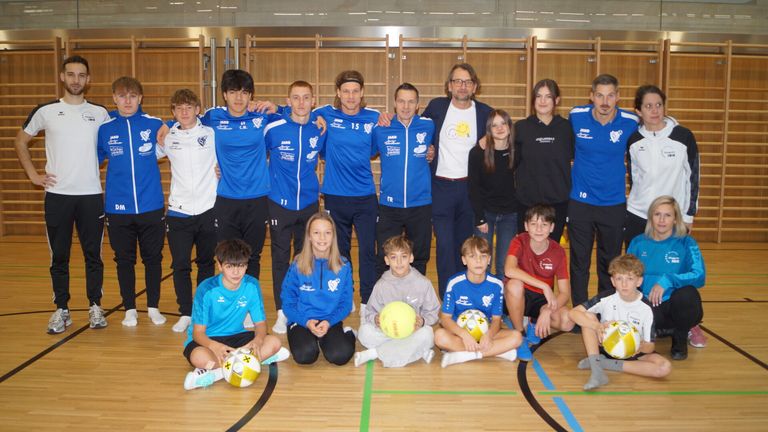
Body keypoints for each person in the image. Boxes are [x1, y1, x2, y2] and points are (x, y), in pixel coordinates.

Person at [15, 55, 110, 333]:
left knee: (94, 254)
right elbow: (20, 141)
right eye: (71, 74)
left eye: (81, 75)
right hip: (58, 196)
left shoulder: (101, 113)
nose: (76, 80)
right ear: (62, 77)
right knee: (60, 256)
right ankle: (62, 309)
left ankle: (95, 306)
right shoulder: (45, 111)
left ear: (88, 79)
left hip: (91, 196)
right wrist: (33, 175)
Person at [97, 76, 166, 327]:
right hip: (118, 209)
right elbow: (91, 161)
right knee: (124, 260)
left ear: (140, 98)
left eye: (133, 96)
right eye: (122, 96)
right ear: (114, 98)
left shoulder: (155, 124)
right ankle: (129, 309)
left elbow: (184, 128)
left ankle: (153, 307)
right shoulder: (105, 129)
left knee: (153, 258)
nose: (128, 101)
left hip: (151, 206)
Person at [423, 63, 493, 298]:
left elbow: (502, 140)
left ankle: (464, 295)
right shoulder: (436, 107)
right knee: (444, 246)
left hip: (469, 189)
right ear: (449, 85)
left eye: (467, 82)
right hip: (441, 187)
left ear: (474, 86)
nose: (462, 86)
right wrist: (427, 149)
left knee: (465, 247)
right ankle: (448, 298)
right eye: (457, 81)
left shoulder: (485, 113)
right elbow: (418, 131)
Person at [568, 74, 639, 307]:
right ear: (591, 96)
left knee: (609, 263)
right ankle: (580, 309)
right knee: (579, 261)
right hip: (581, 202)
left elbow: (659, 121)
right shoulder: (576, 116)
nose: (605, 102)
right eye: (600, 95)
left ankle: (605, 309)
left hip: (613, 204)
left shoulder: (630, 121)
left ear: (618, 97)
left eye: (610, 96)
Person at [182, 239, 288, 390]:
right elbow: (198, 333)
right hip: (208, 339)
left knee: (274, 342)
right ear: (219, 266)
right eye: (229, 266)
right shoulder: (206, 289)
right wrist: (215, 347)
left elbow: (260, 324)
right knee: (199, 358)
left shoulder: (251, 285)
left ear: (246, 265)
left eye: (241, 266)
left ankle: (214, 374)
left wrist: (258, 340)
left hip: (237, 336)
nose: (236, 272)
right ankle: (251, 362)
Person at [315, 70, 380, 315]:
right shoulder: (324, 114)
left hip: (364, 196)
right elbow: (295, 110)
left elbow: (375, 149)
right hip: (335, 195)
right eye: (346, 91)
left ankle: (366, 300)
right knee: (340, 252)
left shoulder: (374, 118)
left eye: (355, 91)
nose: (351, 96)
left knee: (367, 250)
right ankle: (346, 293)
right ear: (338, 93)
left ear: (362, 93)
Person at [264, 81, 327, 335]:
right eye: (296, 98)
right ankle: (282, 312)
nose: (301, 103)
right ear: (288, 101)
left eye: (306, 98)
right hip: (279, 202)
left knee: (306, 258)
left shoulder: (320, 129)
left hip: (309, 203)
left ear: (313, 101)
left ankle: (303, 305)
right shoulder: (273, 127)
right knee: (280, 258)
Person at [156, 89, 218, 333]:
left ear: (197, 110)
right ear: (173, 112)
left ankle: (202, 311)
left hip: (208, 208)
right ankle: (185, 311)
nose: (184, 112)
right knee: (180, 264)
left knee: (206, 263)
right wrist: (162, 126)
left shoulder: (211, 134)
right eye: (179, 108)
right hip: (178, 211)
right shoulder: (167, 137)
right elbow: (144, 155)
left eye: (189, 107)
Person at [568, 254, 672, 391]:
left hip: (633, 352)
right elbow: (573, 313)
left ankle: (604, 363)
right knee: (587, 315)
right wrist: (597, 326)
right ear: (612, 281)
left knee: (664, 367)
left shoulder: (646, 308)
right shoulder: (606, 298)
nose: (624, 284)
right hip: (606, 347)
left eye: (630, 279)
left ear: (639, 281)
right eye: (619, 279)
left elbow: (650, 346)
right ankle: (597, 372)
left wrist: (639, 347)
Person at [627, 196, 706, 360]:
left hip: (674, 305)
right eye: (657, 214)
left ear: (675, 219)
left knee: (688, 294)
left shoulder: (686, 242)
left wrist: (668, 280)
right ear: (651, 217)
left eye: (667, 215)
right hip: (647, 306)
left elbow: (699, 275)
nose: (662, 220)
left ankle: (680, 338)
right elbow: (626, 274)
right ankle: (658, 330)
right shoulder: (638, 242)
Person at [372, 83, 435, 278]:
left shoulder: (428, 125)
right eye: (401, 101)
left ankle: (417, 298)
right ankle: (385, 298)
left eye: (411, 102)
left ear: (418, 104)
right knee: (386, 255)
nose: (406, 106)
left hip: (421, 204)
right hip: (390, 205)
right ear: (394, 103)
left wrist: (431, 150)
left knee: (420, 256)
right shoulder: (381, 128)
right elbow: (365, 152)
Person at [625, 85, 700, 245]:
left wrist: (688, 216)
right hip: (638, 214)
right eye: (648, 106)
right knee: (635, 268)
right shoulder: (634, 140)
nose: (655, 110)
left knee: (668, 267)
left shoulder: (683, 136)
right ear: (639, 111)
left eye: (659, 105)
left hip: (670, 217)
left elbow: (693, 178)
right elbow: (634, 178)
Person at [280, 212, 356, 365]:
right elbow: (287, 304)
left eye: (327, 233)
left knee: (340, 356)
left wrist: (329, 321)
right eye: (316, 233)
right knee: (305, 356)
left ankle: (348, 333)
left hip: (330, 319)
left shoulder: (344, 266)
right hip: (303, 320)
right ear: (309, 236)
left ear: (333, 236)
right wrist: (306, 322)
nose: (322, 238)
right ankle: (311, 339)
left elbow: (346, 304)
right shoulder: (297, 265)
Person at [435, 236, 523, 368]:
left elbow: (496, 320)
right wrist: (464, 335)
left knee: (517, 337)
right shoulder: (454, 283)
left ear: (489, 260)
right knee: (439, 336)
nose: (478, 261)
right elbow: (445, 318)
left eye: (483, 256)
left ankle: (462, 355)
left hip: (485, 333)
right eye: (472, 256)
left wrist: (488, 335)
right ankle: (496, 352)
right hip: (459, 333)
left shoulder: (496, 284)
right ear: (464, 260)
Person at [355, 235, 441, 367]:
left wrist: (423, 321)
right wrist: (375, 319)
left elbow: (434, 312)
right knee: (364, 332)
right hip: (387, 332)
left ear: (411, 258)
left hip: (412, 332)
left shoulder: (423, 283)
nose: (399, 262)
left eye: (404, 256)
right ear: (387, 260)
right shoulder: (381, 285)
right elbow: (369, 311)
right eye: (394, 257)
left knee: (428, 334)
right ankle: (416, 351)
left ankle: (374, 353)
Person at [504, 205, 574, 361]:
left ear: (552, 227)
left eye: (544, 224)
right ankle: (519, 334)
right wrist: (543, 286)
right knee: (514, 284)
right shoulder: (519, 240)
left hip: (541, 300)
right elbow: (509, 270)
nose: (539, 229)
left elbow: (565, 293)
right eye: (534, 223)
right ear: (526, 226)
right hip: (516, 296)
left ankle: (534, 322)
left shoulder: (558, 251)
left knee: (567, 321)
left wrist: (547, 311)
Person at [514, 79, 574, 242]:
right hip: (527, 203)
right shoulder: (520, 128)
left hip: (558, 203)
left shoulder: (567, 128)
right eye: (538, 96)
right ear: (533, 100)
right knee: (525, 253)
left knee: (551, 252)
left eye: (548, 96)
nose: (542, 101)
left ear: (556, 100)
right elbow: (510, 163)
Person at [468, 108, 520, 279]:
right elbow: (473, 187)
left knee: (504, 265)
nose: (499, 128)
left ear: (509, 126)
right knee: (482, 262)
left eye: (503, 123)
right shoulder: (477, 153)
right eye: (494, 125)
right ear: (488, 129)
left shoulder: (517, 151)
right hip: (486, 214)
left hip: (509, 215)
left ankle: (500, 303)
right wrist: (479, 218)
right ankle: (483, 300)